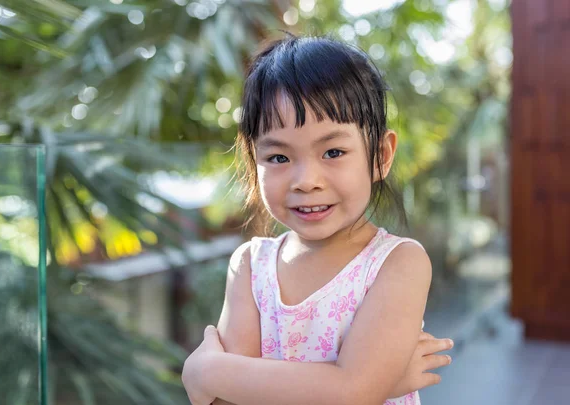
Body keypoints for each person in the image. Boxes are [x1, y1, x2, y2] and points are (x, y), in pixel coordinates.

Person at [182, 34, 454, 405]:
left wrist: (207, 372)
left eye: (333, 151)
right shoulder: (250, 266)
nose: (306, 181)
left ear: (380, 156)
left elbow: (353, 390)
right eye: (279, 158)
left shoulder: (397, 263)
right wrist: (366, 385)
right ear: (253, 160)